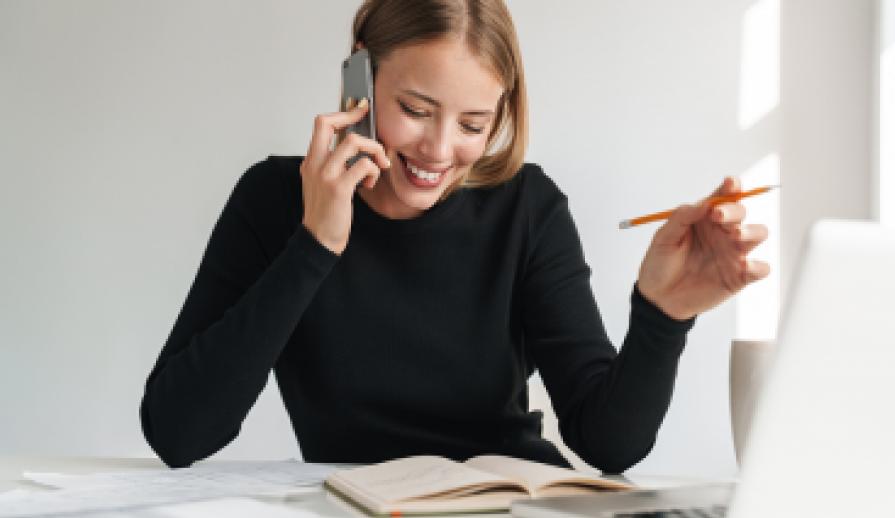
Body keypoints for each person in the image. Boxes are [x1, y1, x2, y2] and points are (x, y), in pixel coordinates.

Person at [140, 0, 770, 474]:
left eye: (473, 123)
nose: (438, 152)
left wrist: (664, 314)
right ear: (360, 69)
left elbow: (608, 445)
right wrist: (315, 246)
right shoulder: (276, 202)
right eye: (415, 110)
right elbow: (177, 434)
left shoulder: (528, 208)